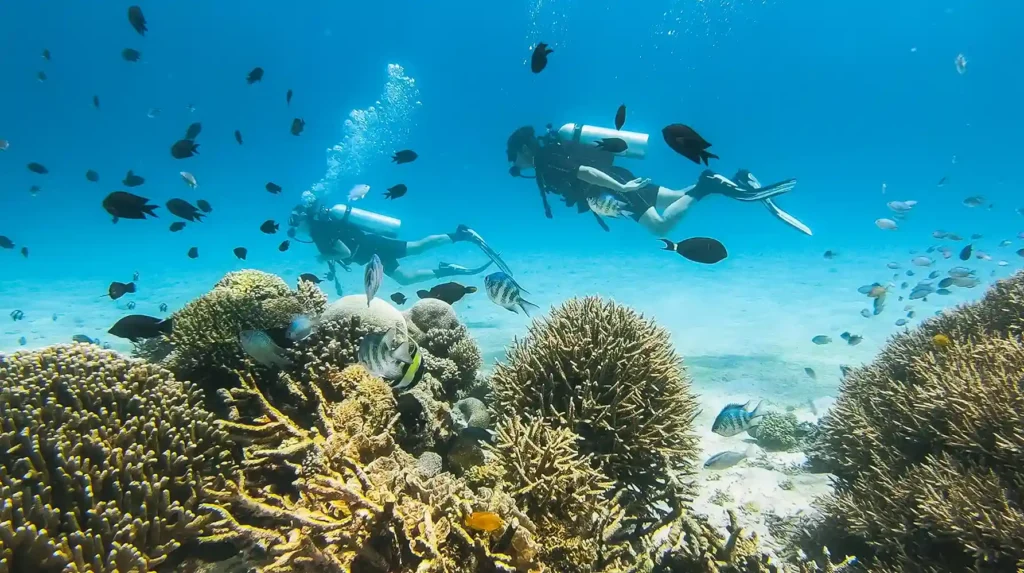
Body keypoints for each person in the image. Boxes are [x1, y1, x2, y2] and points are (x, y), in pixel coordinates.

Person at [505, 125, 811, 236]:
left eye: (513, 158)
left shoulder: (545, 161)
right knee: (676, 196)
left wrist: (620, 188)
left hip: (614, 186)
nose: (515, 165)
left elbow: (583, 173)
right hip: (617, 179)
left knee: (660, 227)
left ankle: (709, 184)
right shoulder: (551, 153)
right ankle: (734, 180)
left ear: (522, 149)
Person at [288, 199, 494, 287]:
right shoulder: (319, 232)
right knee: (404, 279)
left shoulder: (321, 231)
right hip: (371, 256)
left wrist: (324, 257)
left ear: (306, 218)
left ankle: (462, 234)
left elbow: (344, 251)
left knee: (417, 247)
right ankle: (447, 270)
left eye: (295, 222)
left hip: (373, 247)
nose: (295, 228)